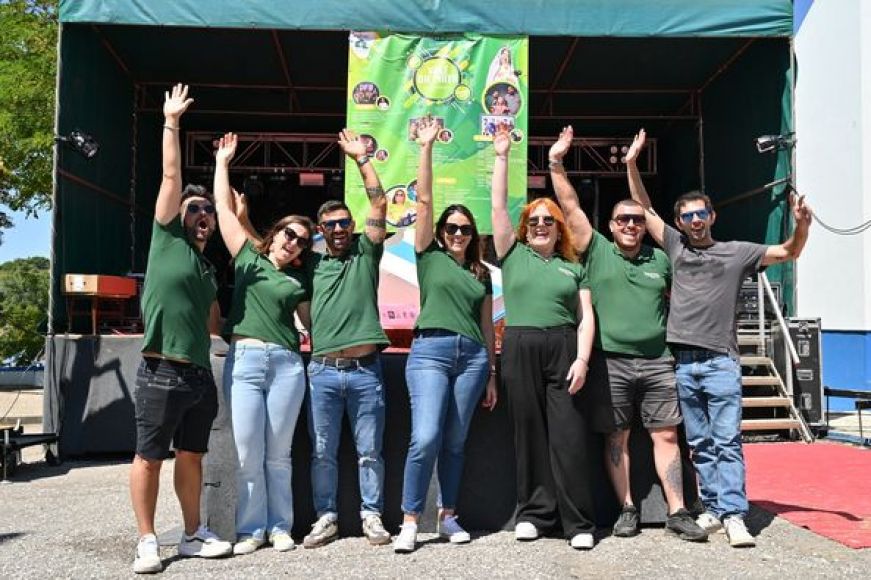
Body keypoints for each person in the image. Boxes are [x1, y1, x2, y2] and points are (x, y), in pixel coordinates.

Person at [625, 128, 813, 548]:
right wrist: (631, 163)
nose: (694, 220)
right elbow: (643, 206)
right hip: (684, 362)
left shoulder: (737, 252)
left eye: (700, 214)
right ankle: (711, 507)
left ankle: (734, 515)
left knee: (727, 441)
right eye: (687, 215)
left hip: (721, 361)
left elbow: (788, 252)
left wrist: (801, 227)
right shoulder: (675, 247)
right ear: (679, 222)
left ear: (712, 217)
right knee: (701, 443)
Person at [548, 125, 707, 542]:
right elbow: (569, 206)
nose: (632, 225)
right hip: (611, 361)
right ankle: (628, 508)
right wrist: (556, 163)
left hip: (659, 362)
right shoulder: (596, 249)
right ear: (611, 224)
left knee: (667, 434)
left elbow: (651, 211)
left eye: (637, 219)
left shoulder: (661, 257)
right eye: (624, 219)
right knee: (616, 437)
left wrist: (633, 166)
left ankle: (677, 511)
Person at [130, 84, 232, 574]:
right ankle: (147, 540)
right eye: (197, 209)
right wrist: (171, 121)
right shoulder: (165, 236)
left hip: (198, 376)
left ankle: (192, 534)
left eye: (208, 212)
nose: (204, 216)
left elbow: (212, 322)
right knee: (149, 458)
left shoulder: (207, 270)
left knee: (192, 458)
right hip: (160, 371)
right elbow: (172, 172)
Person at [393, 116, 498, 553]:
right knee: (426, 436)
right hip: (431, 351)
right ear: (439, 233)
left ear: (474, 236)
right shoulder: (427, 256)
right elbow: (425, 199)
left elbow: (487, 324)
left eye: (465, 229)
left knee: (455, 441)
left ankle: (448, 515)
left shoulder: (481, 273)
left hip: (473, 356)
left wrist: (491, 371)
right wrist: (426, 147)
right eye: (451, 228)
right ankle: (410, 519)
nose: (457, 233)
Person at [490, 129, 597, 550]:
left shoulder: (574, 268)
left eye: (547, 220)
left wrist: (583, 360)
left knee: (568, 436)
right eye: (533, 220)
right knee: (528, 432)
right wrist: (502, 155)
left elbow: (586, 318)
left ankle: (579, 524)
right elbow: (497, 205)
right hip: (518, 345)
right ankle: (533, 514)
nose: (539, 225)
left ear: (559, 228)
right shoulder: (512, 253)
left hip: (564, 347)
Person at [212, 133, 314, 555]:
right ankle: (252, 529)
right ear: (274, 235)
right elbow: (222, 210)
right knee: (247, 452)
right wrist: (222, 162)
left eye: (302, 241)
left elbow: (310, 324)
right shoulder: (249, 259)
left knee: (279, 455)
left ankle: (280, 527)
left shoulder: (299, 280)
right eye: (289, 233)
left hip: (288, 364)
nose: (293, 242)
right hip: (247, 360)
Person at [302, 129, 392, 549]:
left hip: (365, 370)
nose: (339, 229)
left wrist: (361, 159)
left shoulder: (365, 250)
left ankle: (371, 516)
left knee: (369, 452)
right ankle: (326, 517)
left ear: (352, 224)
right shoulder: (312, 265)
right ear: (320, 229)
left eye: (344, 222)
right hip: (322, 371)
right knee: (321, 452)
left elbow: (379, 201)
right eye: (331, 225)